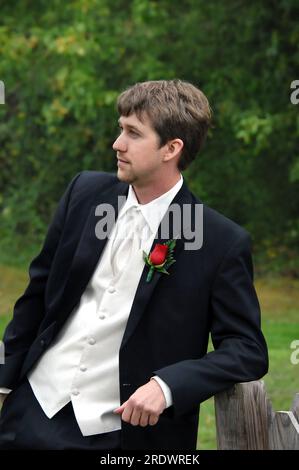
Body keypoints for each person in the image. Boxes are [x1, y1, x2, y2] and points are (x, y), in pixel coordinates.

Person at [0, 79, 268, 450]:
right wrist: (5, 382)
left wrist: (168, 385)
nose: (117, 144)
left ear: (171, 148)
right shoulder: (84, 193)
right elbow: (38, 293)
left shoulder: (220, 241)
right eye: (120, 128)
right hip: (29, 409)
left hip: (122, 434)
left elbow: (246, 348)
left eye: (133, 133)